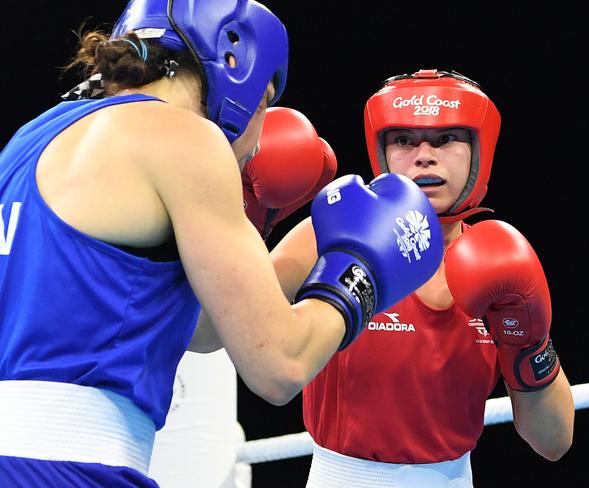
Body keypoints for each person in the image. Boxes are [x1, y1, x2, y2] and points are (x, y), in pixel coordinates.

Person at [0, 0, 445, 484]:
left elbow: (199, 331)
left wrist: (298, 249)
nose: (257, 140)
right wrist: (359, 272)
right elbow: (280, 363)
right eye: (266, 103)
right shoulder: (187, 138)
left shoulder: (31, 139)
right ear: (239, 75)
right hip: (70, 468)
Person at [269, 69, 576, 487]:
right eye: (403, 140)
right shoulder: (329, 235)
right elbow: (231, 331)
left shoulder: (502, 264)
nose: (425, 156)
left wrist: (531, 341)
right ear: (382, 151)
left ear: (479, 151)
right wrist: (250, 220)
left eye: (447, 138)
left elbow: (553, 441)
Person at [148, 105, 338, 488]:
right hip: (102, 427)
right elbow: (279, 371)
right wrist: (354, 284)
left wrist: (245, 222)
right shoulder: (156, 158)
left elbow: (205, 333)